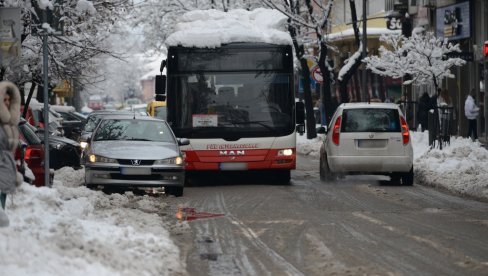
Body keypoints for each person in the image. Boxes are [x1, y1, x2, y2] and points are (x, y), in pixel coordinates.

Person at [0, 81, 23, 227]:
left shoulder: (9, 124)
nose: (7, 103)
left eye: (9, 100)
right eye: (4, 100)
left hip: (5, 174)